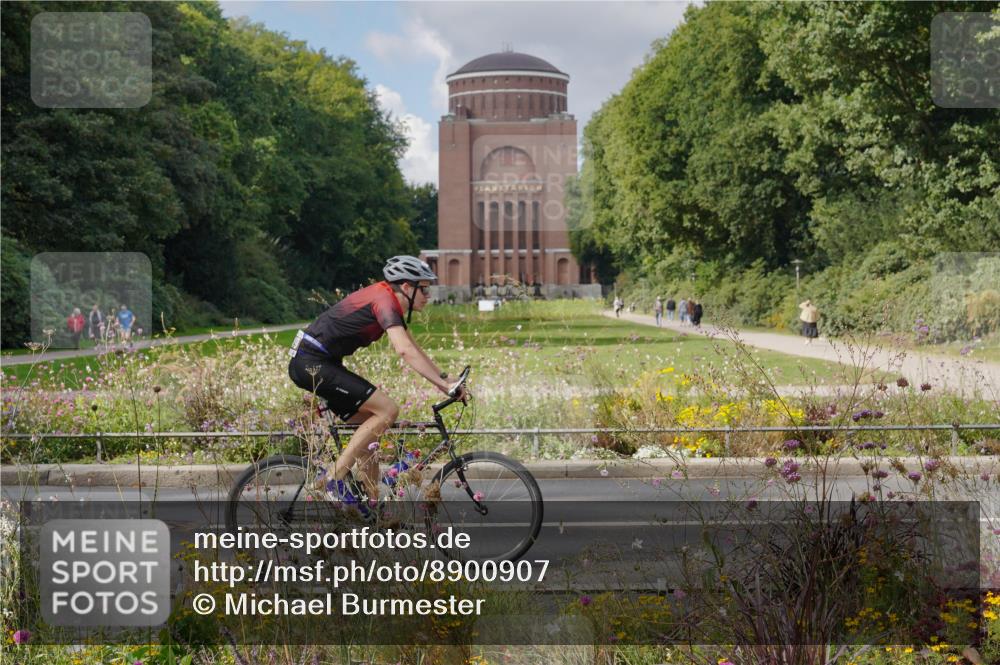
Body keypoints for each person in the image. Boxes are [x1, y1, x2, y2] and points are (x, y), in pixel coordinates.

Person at [287, 256, 467, 507]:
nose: (428, 294)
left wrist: (446, 381)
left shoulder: (386, 299)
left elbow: (414, 348)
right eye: (423, 288)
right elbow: (404, 350)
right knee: (388, 410)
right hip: (311, 363)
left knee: (370, 436)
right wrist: (447, 386)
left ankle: (373, 514)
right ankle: (333, 478)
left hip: (319, 363)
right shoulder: (384, 301)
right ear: (406, 287)